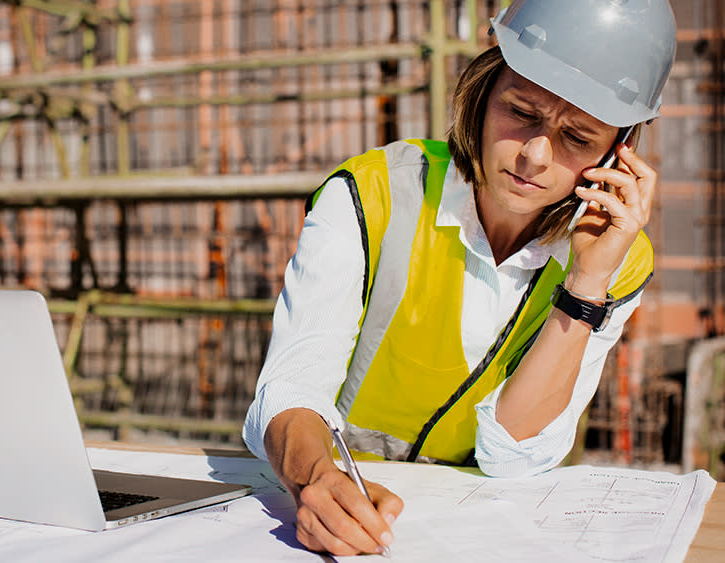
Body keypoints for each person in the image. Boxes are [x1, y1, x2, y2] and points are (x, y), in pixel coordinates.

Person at [242, 0, 678, 556]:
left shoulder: (620, 259)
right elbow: (290, 386)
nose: (536, 156)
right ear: (482, 91)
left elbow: (514, 455)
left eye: (578, 139)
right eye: (521, 111)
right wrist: (314, 477)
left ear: (618, 156)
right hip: (329, 509)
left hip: (476, 537)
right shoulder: (372, 194)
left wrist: (586, 286)